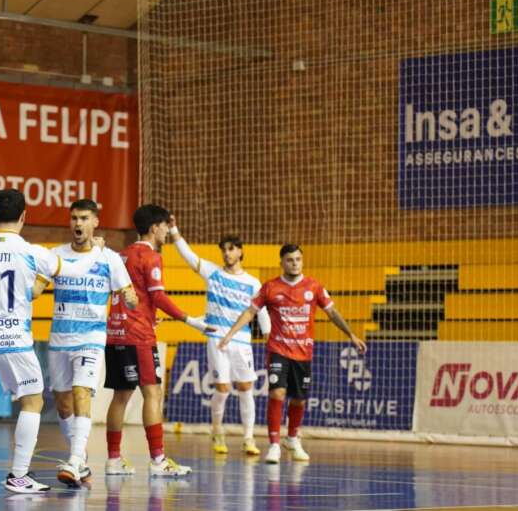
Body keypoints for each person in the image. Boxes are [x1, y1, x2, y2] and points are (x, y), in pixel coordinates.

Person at [0, 189, 107, 496]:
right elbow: (74, 269)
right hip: (15, 340)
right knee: (33, 403)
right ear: (24, 216)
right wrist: (96, 251)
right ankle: (18, 475)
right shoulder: (32, 252)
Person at [218, 244, 367, 464]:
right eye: (290, 260)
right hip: (278, 350)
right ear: (282, 262)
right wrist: (231, 333)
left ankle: (293, 438)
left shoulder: (314, 287)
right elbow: (250, 311)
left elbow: (332, 312)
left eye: (298, 259)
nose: (294, 263)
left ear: (302, 261)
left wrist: (351, 335)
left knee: (299, 400)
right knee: (277, 393)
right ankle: (274, 445)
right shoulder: (270, 287)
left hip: (303, 352)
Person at [32, 199, 138, 487]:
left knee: (82, 392)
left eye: (83, 218)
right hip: (60, 339)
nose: (78, 224)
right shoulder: (56, 255)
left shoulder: (109, 258)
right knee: (63, 404)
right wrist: (33, 290)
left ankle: (76, 459)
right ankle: (80, 461)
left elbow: (128, 291)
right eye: (74, 218)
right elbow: (38, 287)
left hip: (90, 338)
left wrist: (130, 298)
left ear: (95, 223)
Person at [104, 204, 208, 477]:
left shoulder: (121, 255)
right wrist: (190, 320)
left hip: (115, 333)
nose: (166, 232)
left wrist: (148, 315)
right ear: (154, 227)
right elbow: (158, 296)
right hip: (138, 336)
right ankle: (158, 461)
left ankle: (113, 461)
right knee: (152, 393)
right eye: (164, 226)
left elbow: (131, 294)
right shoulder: (151, 257)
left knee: (120, 396)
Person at [168, 216, 270, 456]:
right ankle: (218, 430)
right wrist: (174, 230)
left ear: (241, 252)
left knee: (246, 386)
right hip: (216, 337)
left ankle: (248, 438)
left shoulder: (252, 282)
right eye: (224, 250)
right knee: (222, 388)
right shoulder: (212, 273)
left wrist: (268, 336)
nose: (226, 253)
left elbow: (262, 311)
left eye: (231, 249)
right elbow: (189, 256)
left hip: (242, 341)